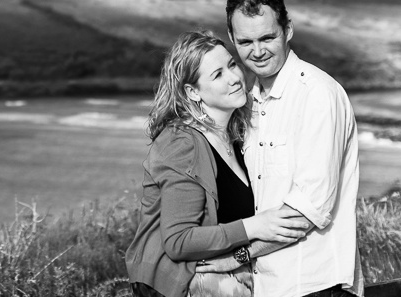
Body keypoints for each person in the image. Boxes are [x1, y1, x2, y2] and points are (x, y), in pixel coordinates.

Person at [126, 31, 311, 297]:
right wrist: (256, 225)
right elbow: (178, 241)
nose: (235, 78)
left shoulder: (238, 136)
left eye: (232, 64)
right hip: (175, 285)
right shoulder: (182, 143)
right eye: (217, 74)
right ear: (192, 92)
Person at [213, 0, 363, 297]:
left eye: (268, 37)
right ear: (232, 39)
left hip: (315, 283)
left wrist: (236, 256)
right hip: (265, 286)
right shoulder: (246, 103)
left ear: (288, 30)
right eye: (246, 41)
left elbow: (307, 211)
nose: (258, 51)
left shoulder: (317, 94)